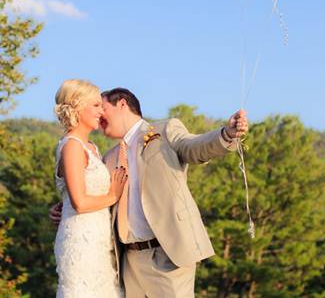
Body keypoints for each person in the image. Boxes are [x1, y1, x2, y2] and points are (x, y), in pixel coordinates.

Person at [51, 86, 248, 297]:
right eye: (95, 106)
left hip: (168, 255)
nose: (100, 114)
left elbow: (194, 146)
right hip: (128, 262)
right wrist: (67, 207)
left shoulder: (164, 131)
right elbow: (91, 194)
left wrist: (227, 134)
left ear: (122, 104)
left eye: (102, 106)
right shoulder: (107, 158)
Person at [53, 79, 126, 297]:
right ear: (77, 107)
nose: (101, 111)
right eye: (95, 105)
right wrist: (113, 195)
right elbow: (81, 203)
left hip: (99, 240)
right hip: (81, 242)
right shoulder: (72, 146)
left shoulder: (91, 147)